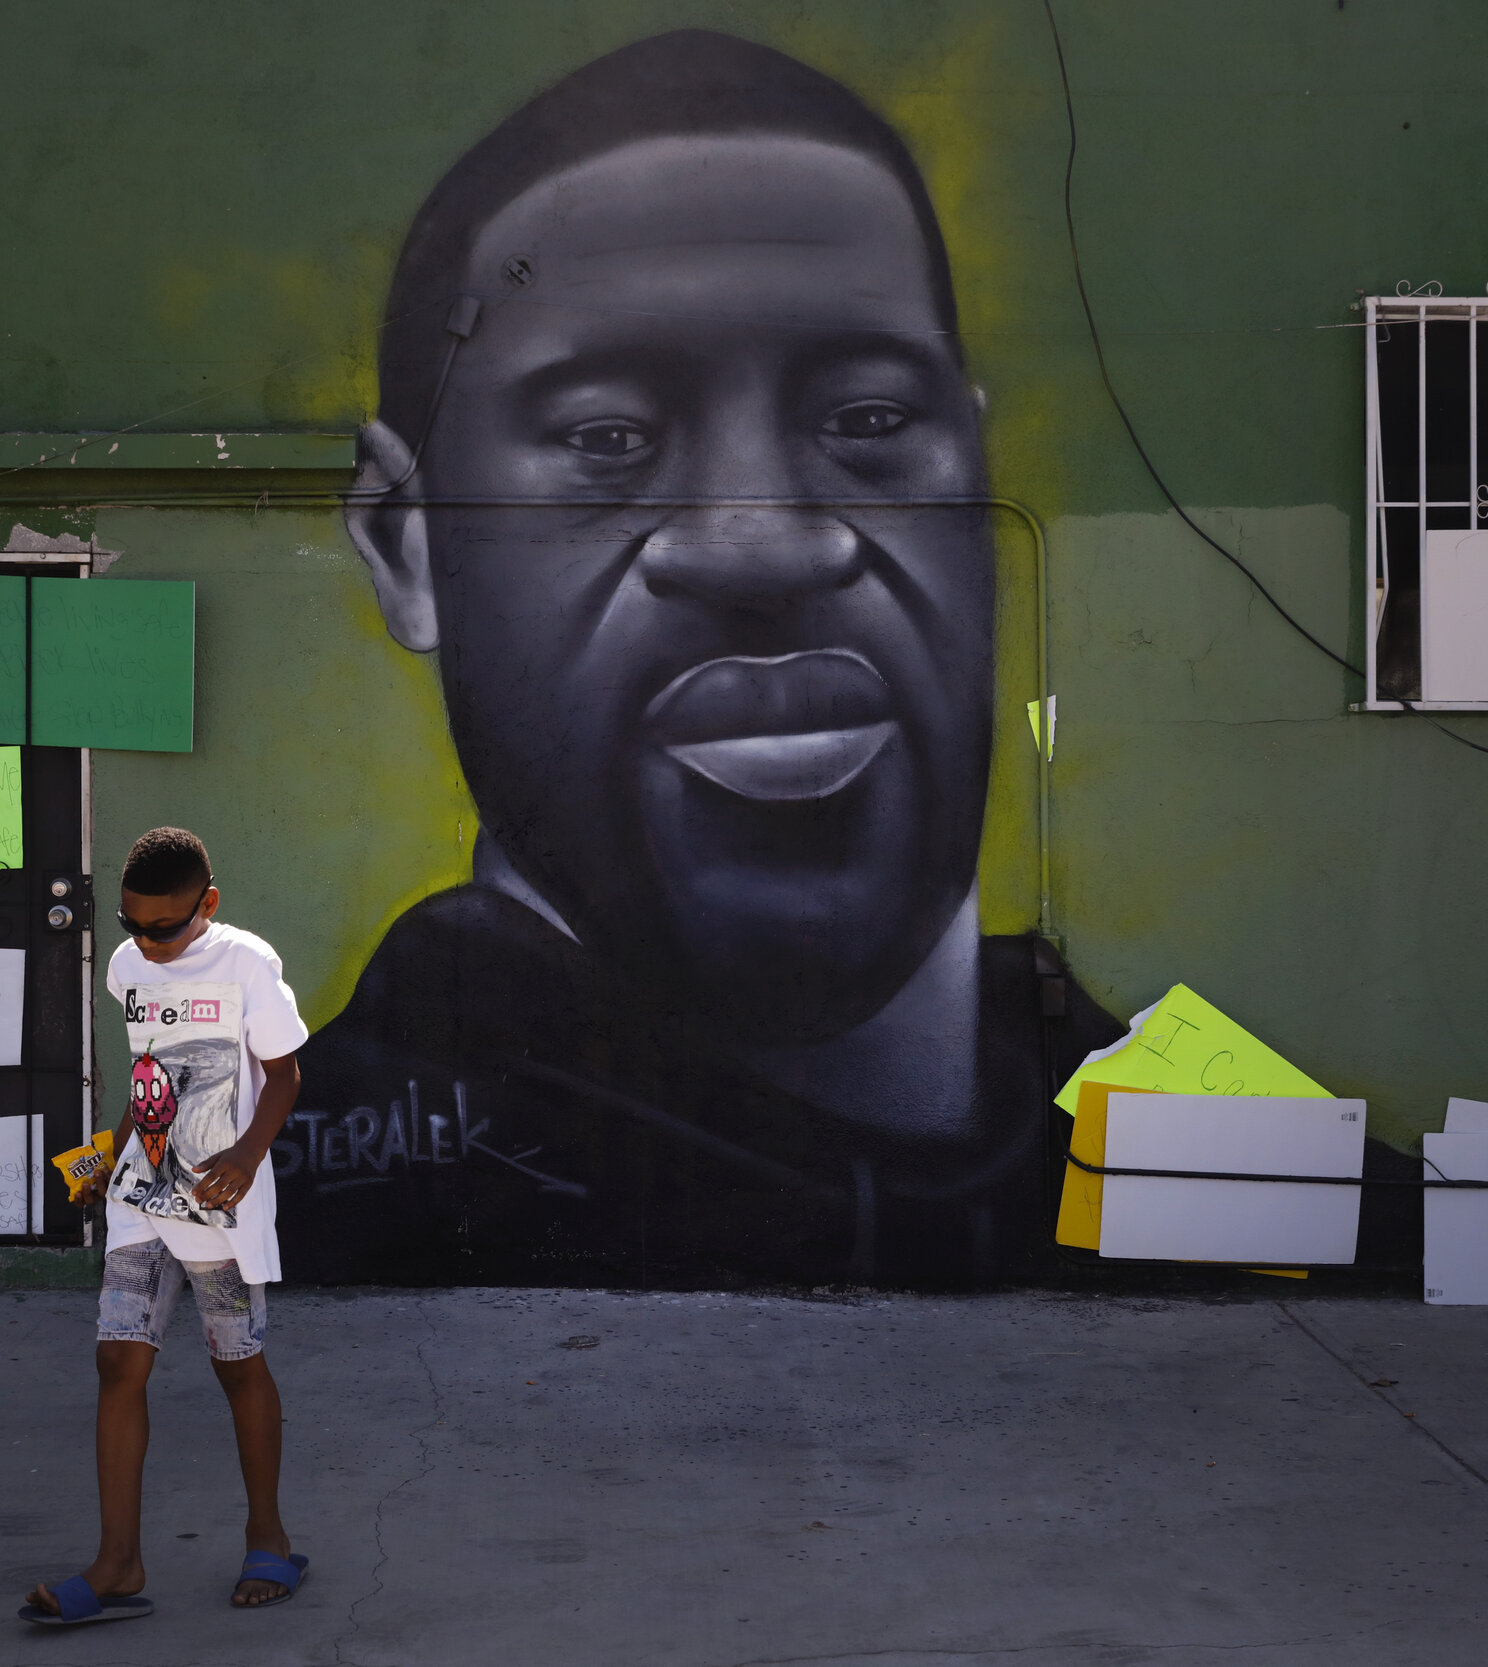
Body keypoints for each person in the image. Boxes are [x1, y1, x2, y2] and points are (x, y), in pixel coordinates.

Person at [287, 29, 1127, 1290]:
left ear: (976, 477)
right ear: (407, 547)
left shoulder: (1263, 1191)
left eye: (870, 421)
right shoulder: (325, 1203)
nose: (760, 541)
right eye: (609, 434)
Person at [22, 827, 312, 1624]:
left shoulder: (248, 963)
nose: (145, 943)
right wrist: (109, 1154)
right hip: (141, 1197)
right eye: (130, 925)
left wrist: (250, 1156)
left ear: (206, 905)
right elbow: (149, 1068)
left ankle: (268, 1538)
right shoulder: (125, 969)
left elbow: (284, 1073)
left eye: (164, 928)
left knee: (237, 1366)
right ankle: (118, 1562)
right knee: (118, 1362)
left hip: (221, 1206)